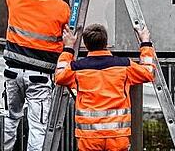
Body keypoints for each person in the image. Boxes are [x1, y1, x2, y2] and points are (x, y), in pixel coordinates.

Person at [54, 23, 156, 151]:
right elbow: (149, 72)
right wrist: (145, 42)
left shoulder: (76, 68)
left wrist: (68, 48)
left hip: (89, 137)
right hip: (118, 136)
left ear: (85, 44)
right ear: (106, 43)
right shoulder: (124, 66)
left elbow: (59, 76)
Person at [3, 0, 71, 151]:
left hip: (12, 74)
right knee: (38, 126)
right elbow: (67, 14)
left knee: (10, 117)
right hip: (39, 78)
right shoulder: (58, 7)